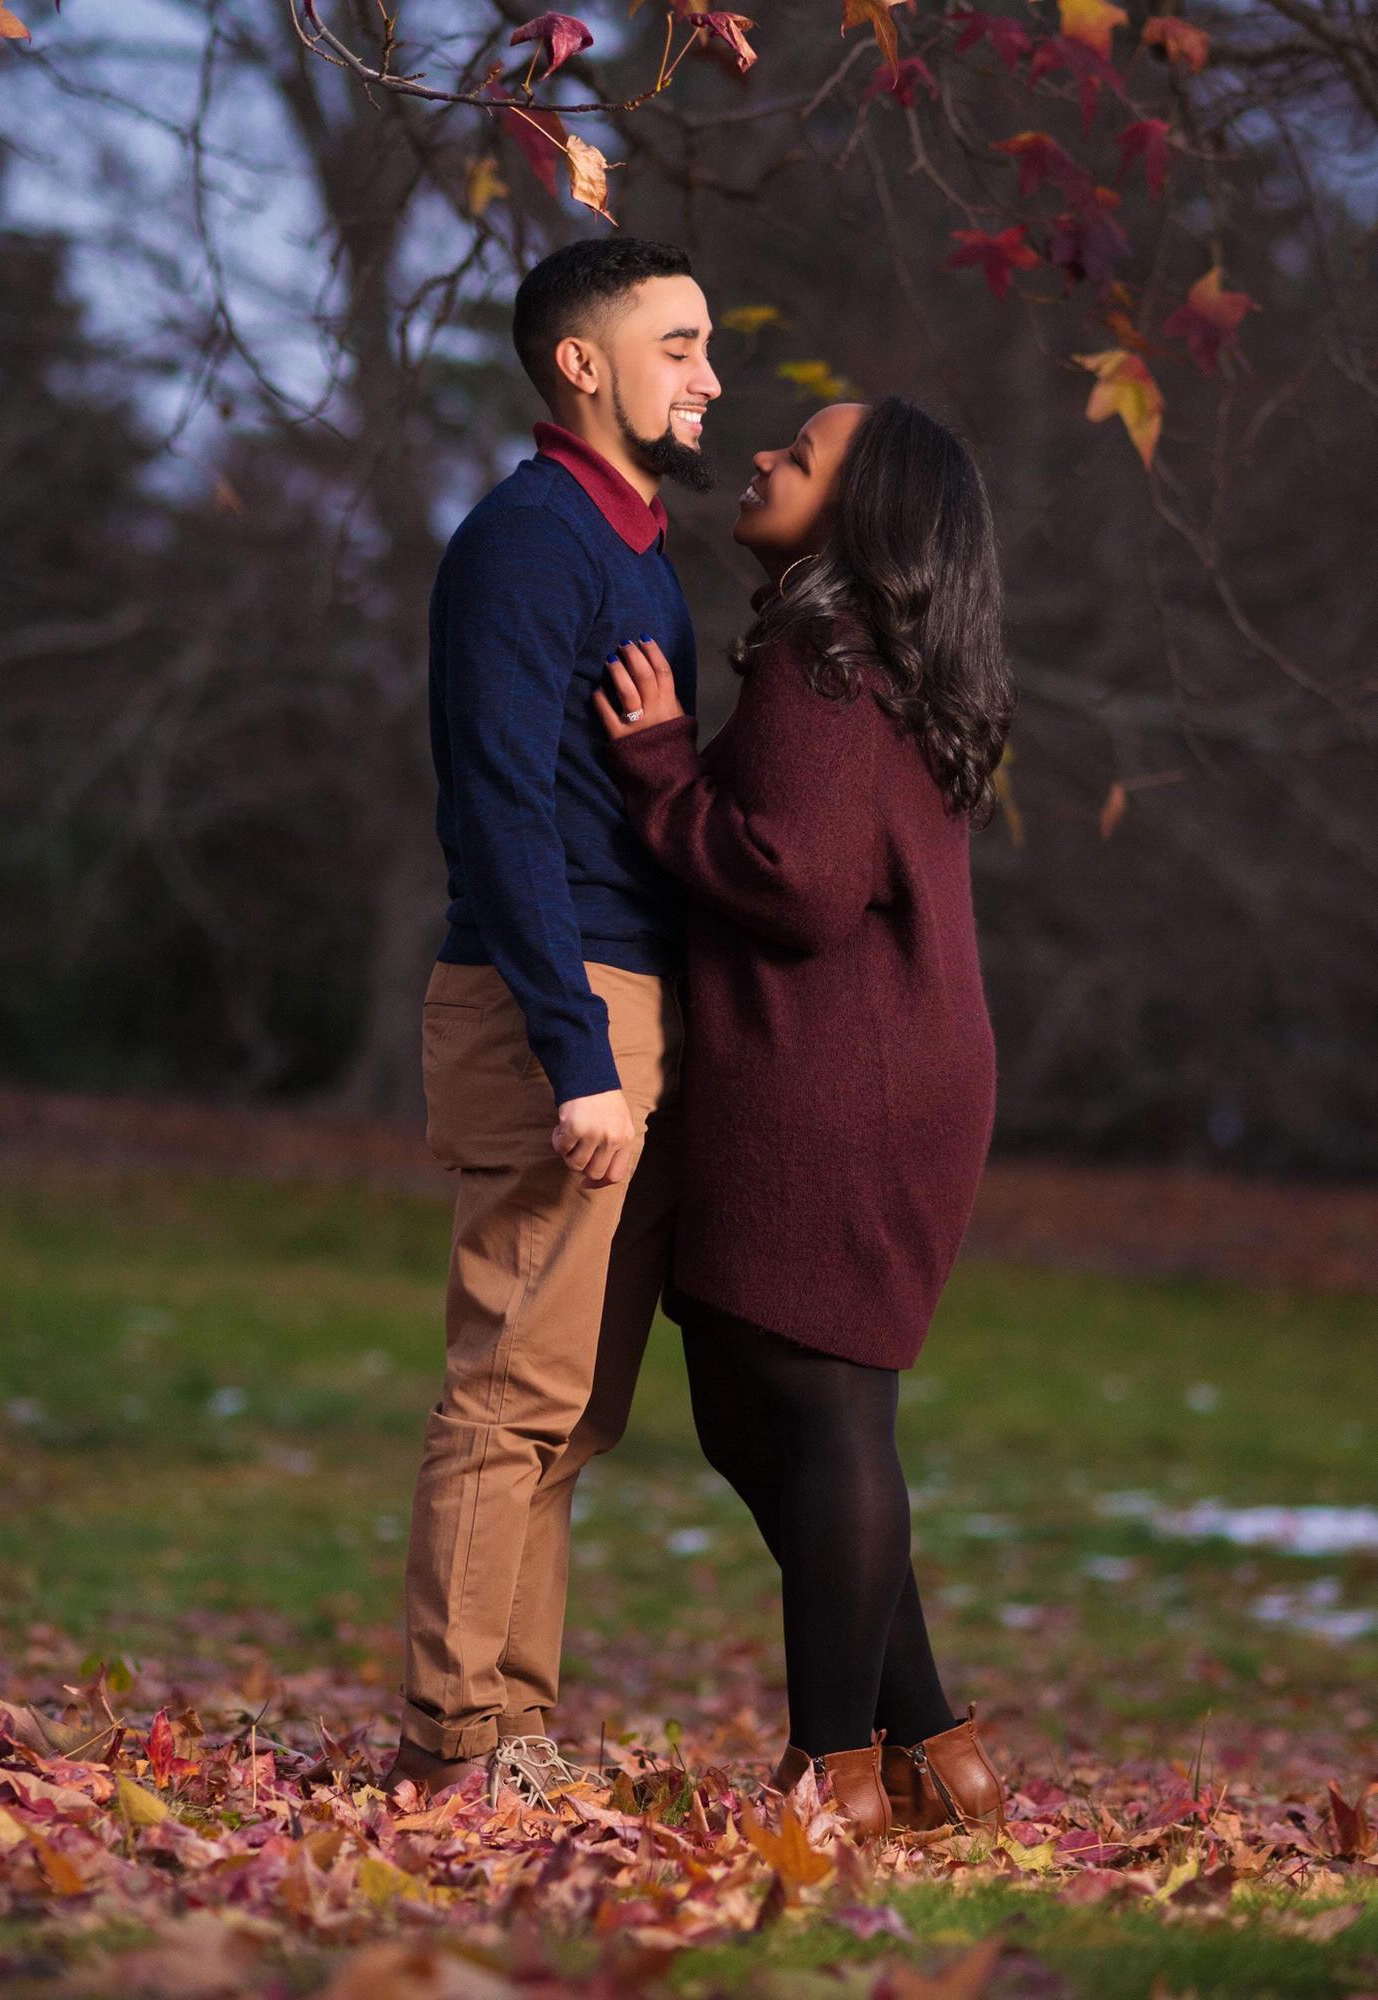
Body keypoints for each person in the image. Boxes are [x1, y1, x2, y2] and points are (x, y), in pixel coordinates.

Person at [593, 395, 1016, 1843]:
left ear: (861, 510)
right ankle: (935, 1747)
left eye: (804, 452)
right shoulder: (869, 656)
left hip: (846, 1076)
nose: (766, 454)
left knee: (821, 1410)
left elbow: (800, 882)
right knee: (754, 1410)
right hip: (862, 1062)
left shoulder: (818, 655)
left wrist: (658, 764)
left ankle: (832, 1773)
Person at [383, 237, 722, 1803]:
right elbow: (500, 805)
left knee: (571, 1413)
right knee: (512, 1390)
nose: (708, 377)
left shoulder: (632, 545)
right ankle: (459, 1743)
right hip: (560, 1005)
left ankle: (513, 1727)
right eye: (678, 345)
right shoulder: (530, 539)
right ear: (583, 364)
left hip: (632, 1003)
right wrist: (576, 1051)